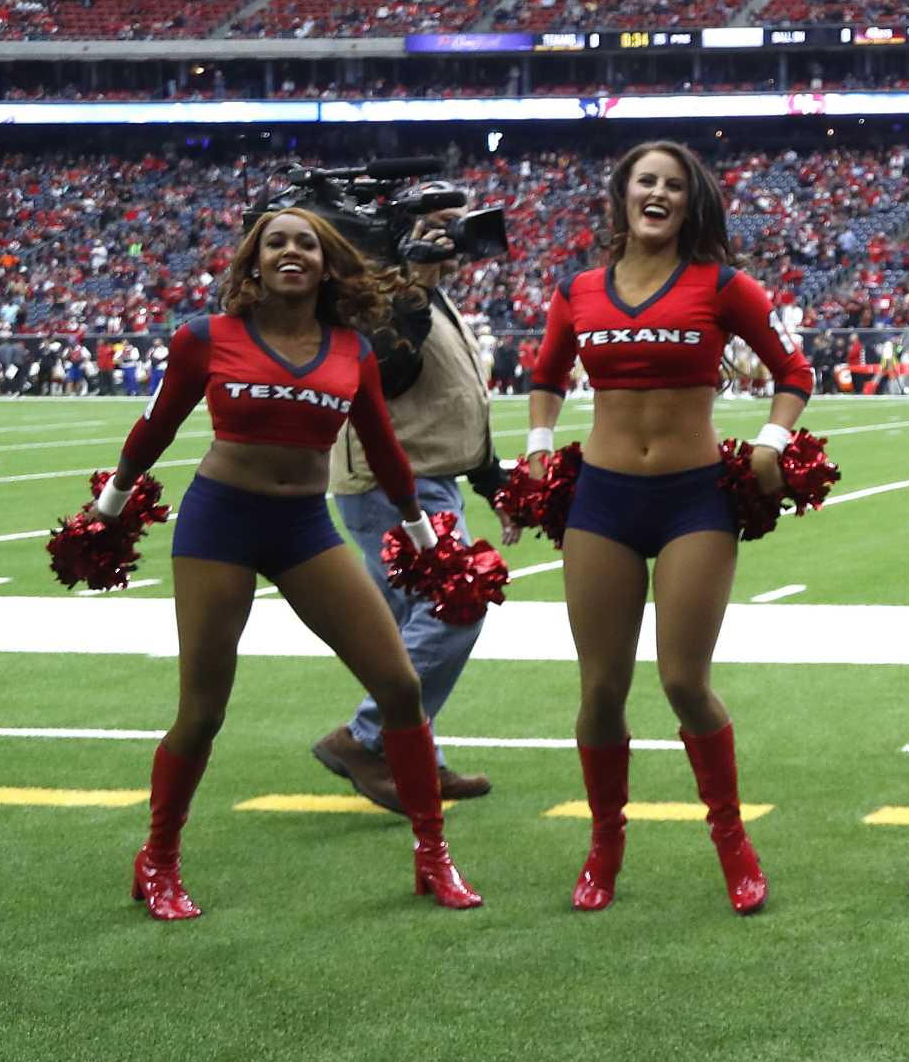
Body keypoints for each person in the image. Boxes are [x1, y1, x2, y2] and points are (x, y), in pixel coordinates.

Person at [87, 207, 482, 919]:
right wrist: (109, 508)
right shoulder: (206, 338)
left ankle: (434, 857)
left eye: (305, 242)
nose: (290, 251)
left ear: (326, 265)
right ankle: (159, 862)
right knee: (203, 712)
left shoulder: (350, 350)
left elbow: (386, 451)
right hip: (221, 524)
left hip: (304, 528)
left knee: (397, 684)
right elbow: (156, 425)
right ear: (254, 262)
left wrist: (425, 536)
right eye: (276, 243)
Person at [525, 139, 813, 916]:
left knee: (684, 681)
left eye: (673, 186)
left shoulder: (722, 285)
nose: (657, 194)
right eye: (644, 182)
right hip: (603, 502)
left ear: (691, 203)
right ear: (622, 195)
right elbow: (546, 375)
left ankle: (733, 843)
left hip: (694, 498)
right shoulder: (577, 289)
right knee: (601, 690)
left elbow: (795, 372)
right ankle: (604, 845)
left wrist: (772, 443)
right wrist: (538, 447)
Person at [313, 185, 503, 812]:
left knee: (407, 630)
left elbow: (449, 397)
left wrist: (490, 478)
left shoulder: (422, 288)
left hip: (428, 475)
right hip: (392, 483)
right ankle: (365, 736)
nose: (456, 240)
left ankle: (422, 760)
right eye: (441, 227)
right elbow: (387, 373)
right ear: (403, 230)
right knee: (457, 607)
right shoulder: (376, 289)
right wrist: (416, 278)